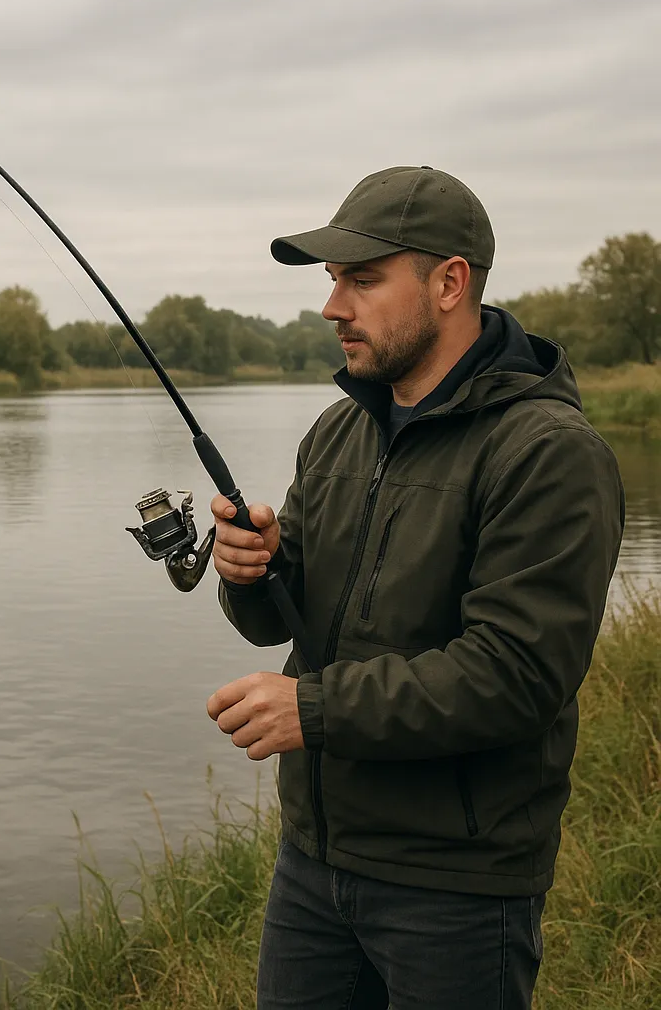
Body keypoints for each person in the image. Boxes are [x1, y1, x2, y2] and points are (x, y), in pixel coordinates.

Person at [204, 165, 625, 1009]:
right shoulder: (339, 432)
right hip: (314, 862)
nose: (334, 307)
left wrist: (311, 710)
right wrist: (259, 571)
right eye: (332, 280)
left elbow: (516, 676)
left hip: (458, 887)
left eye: (362, 279)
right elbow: (285, 624)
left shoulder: (547, 451)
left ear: (449, 282)